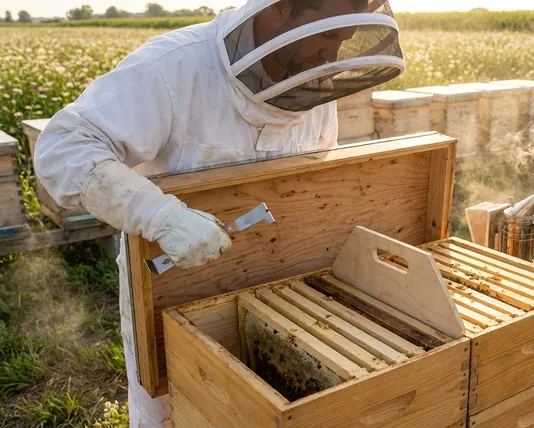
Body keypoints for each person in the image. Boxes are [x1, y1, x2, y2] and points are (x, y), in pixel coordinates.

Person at [33, 0, 405, 426]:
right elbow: (65, 147)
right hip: (174, 282)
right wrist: (160, 216)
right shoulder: (171, 68)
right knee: (170, 408)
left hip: (281, 290)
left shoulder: (313, 82)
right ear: (281, 9)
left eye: (343, 41)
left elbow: (315, 181)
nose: (332, 56)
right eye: (325, 36)